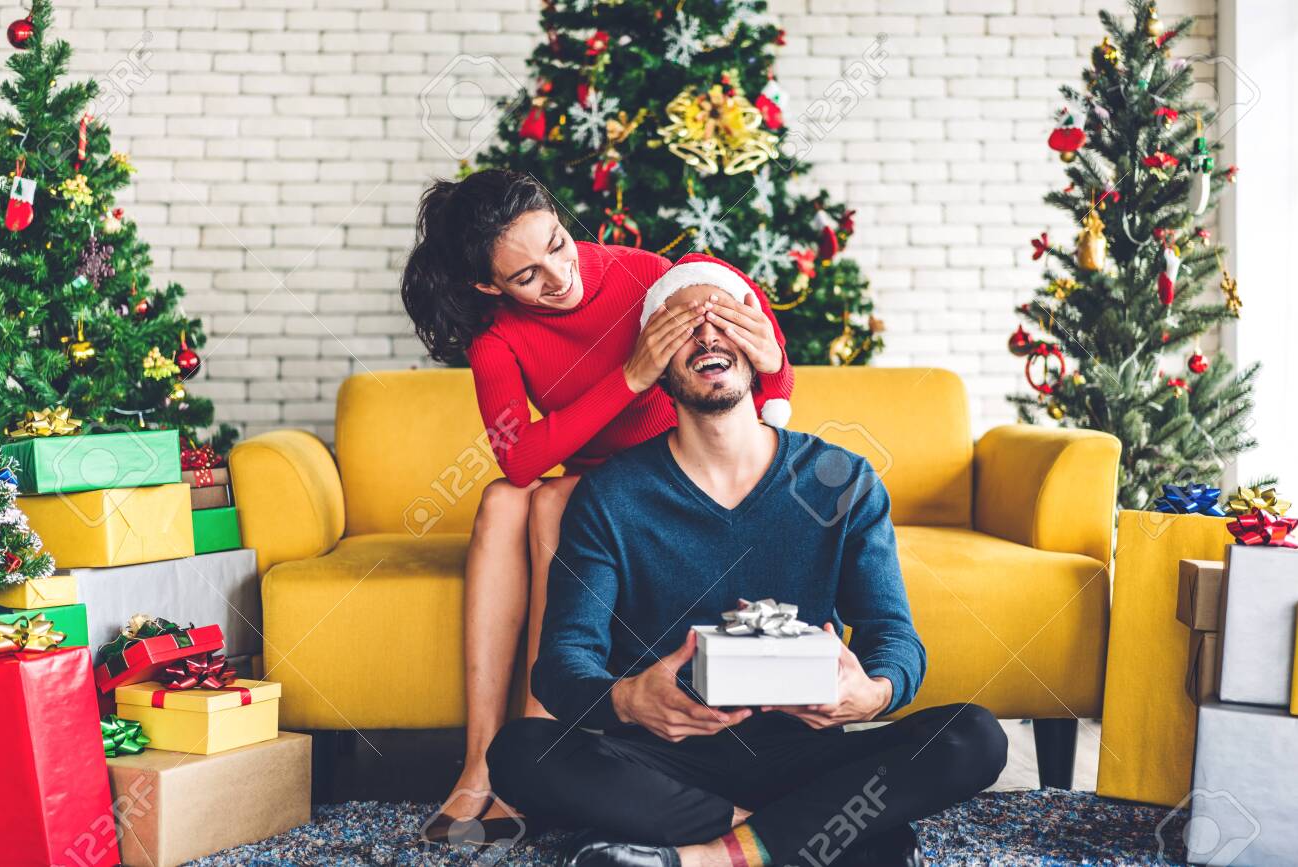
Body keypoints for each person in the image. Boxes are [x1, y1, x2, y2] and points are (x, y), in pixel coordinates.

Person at [486, 275, 1008, 867]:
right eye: (683, 326)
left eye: (728, 319)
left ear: (759, 348)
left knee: (974, 736)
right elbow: (561, 664)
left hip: (805, 751)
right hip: (667, 750)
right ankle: (819, 835)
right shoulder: (612, 496)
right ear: (654, 363)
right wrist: (629, 701)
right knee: (520, 751)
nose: (709, 334)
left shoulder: (839, 479)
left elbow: (894, 635)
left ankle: (705, 853)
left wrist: (874, 692)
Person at [400, 169, 795, 831]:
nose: (558, 276)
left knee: (552, 503)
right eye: (526, 276)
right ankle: (480, 763)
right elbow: (517, 456)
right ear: (487, 285)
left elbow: (767, 362)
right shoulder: (496, 340)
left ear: (561, 219)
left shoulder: (645, 275)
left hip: (670, 477)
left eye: (557, 243)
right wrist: (631, 375)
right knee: (504, 499)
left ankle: (541, 740)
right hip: (596, 487)